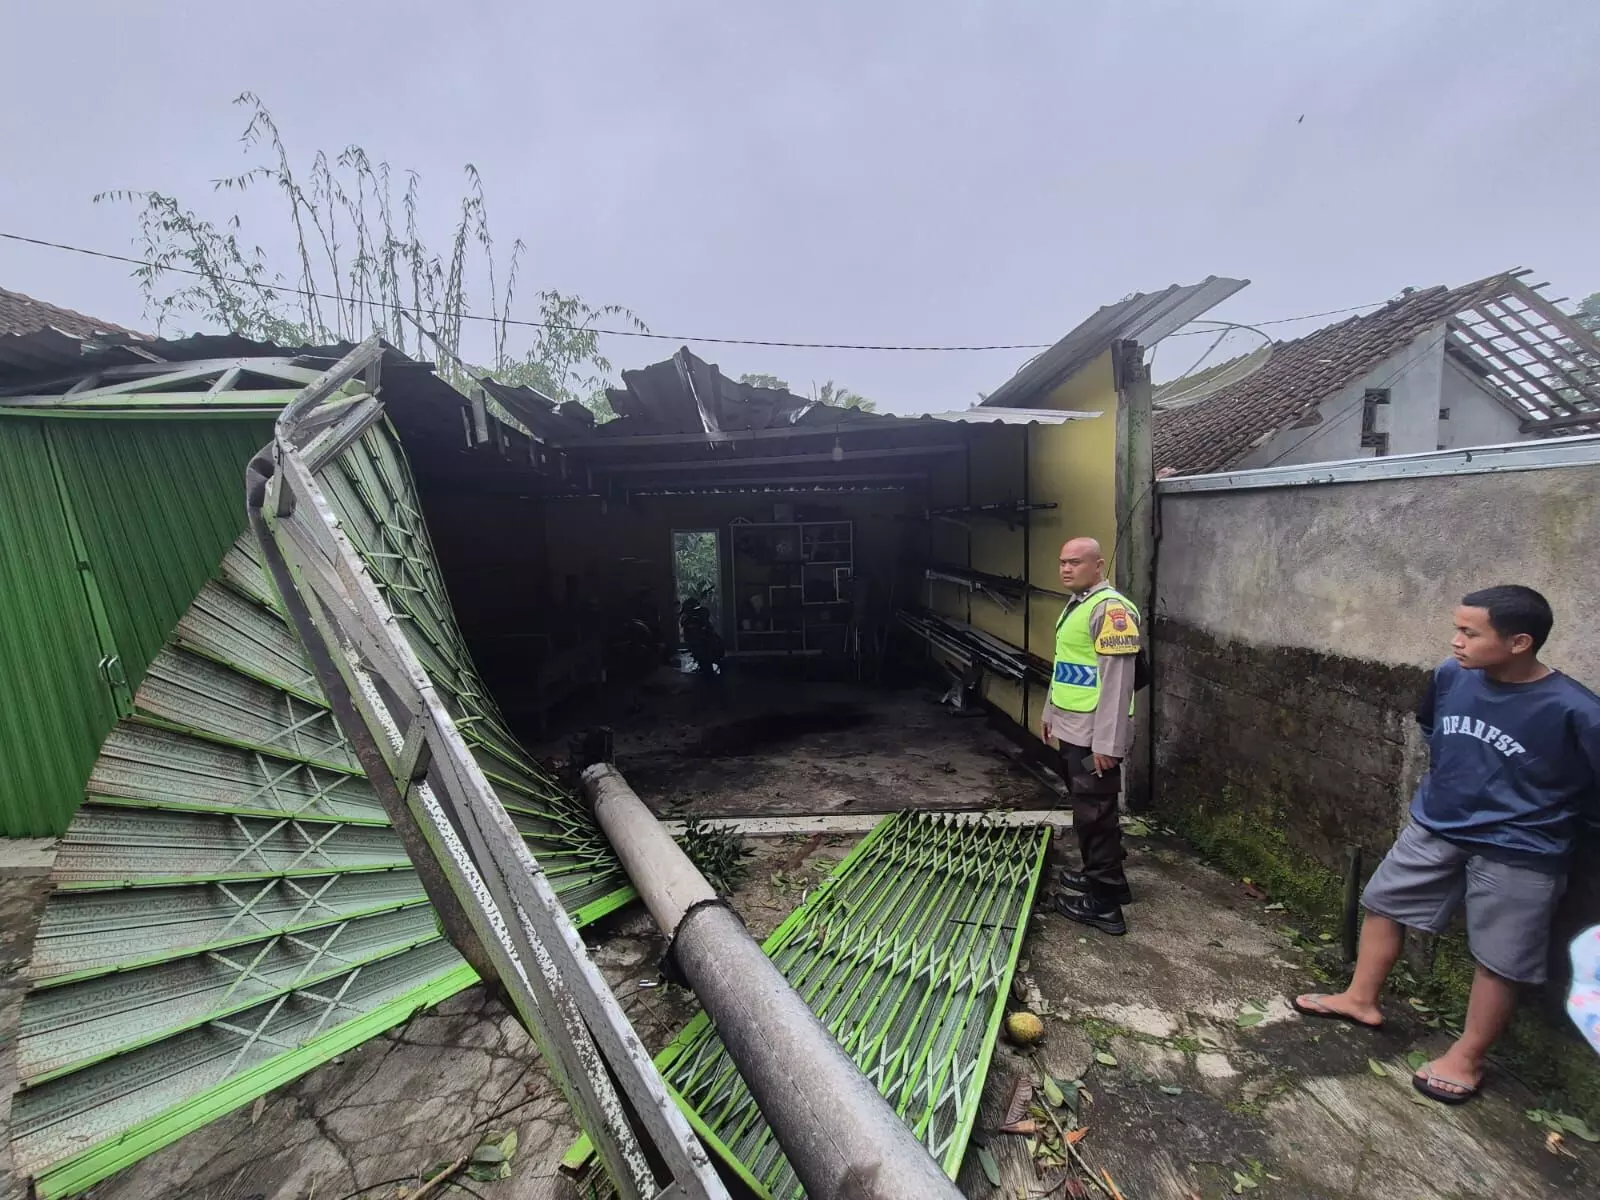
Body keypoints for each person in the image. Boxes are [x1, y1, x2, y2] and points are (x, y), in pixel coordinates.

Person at [1294, 585, 1600, 1104]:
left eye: (1469, 632)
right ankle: (1360, 998)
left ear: (1520, 642)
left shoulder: (1576, 711)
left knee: (1501, 957)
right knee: (1383, 904)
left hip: (1520, 846)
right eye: (1457, 629)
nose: (1456, 641)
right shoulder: (1452, 675)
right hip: (1437, 823)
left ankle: (1468, 1056)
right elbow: (1432, 725)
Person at [1043, 537, 1141, 936]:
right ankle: (1106, 881)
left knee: (1095, 812)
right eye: (1062, 562)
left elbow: (1118, 684)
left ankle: (1104, 905)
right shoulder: (1079, 604)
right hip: (1073, 725)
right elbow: (1067, 666)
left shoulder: (1111, 610)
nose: (1066, 569)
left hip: (1093, 734)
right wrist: (1051, 712)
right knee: (1088, 808)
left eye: (1075, 562)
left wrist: (1107, 744)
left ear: (1098, 565)